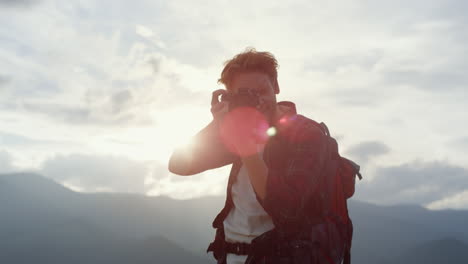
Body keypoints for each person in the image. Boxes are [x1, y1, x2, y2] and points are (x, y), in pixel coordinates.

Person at [168, 48, 348, 264]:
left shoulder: (306, 135)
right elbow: (178, 164)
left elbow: (286, 210)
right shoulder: (239, 130)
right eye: (246, 95)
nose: (258, 100)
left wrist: (245, 147)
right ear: (233, 98)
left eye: (262, 90)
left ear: (277, 86)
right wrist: (217, 124)